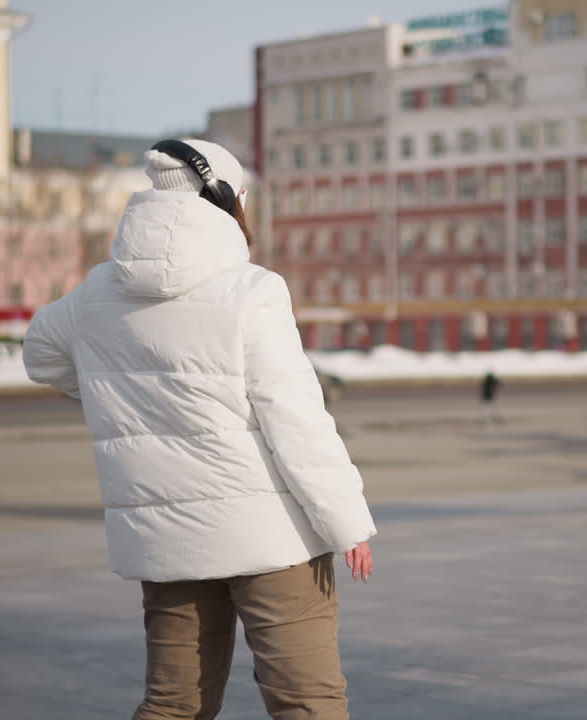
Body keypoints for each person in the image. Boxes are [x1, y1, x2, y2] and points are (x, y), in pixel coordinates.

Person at [23, 139, 376, 720]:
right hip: (272, 539)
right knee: (308, 704)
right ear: (227, 200)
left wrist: (126, 394)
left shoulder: (95, 294)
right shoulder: (252, 290)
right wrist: (347, 521)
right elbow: (295, 419)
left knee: (173, 706)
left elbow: (41, 355)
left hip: (167, 538)